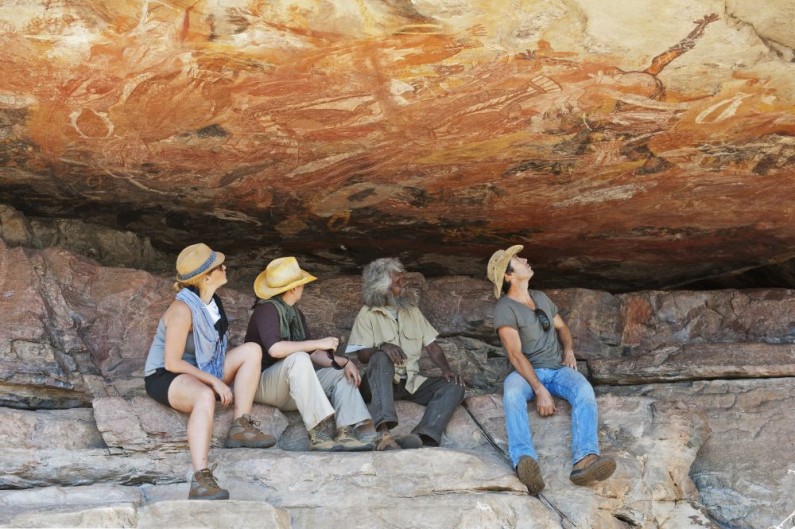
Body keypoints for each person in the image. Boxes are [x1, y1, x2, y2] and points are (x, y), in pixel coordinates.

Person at [143, 243, 275, 501]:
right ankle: (201, 479)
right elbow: (171, 362)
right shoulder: (181, 310)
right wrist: (216, 382)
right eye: (219, 266)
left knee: (251, 350)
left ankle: (241, 425)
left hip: (203, 369)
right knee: (204, 396)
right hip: (165, 375)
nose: (225, 268)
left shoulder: (213, 303)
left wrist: (214, 378)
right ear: (205, 276)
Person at [487, 245, 616, 495]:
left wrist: (568, 350)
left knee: (583, 390)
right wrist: (539, 389)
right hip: (526, 373)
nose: (525, 259)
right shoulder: (505, 308)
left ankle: (585, 460)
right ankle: (524, 461)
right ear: (509, 276)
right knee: (512, 392)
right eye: (517, 260)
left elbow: (562, 327)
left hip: (557, 369)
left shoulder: (541, 297)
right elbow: (515, 354)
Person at [246, 256, 373, 452]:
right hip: (264, 384)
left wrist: (345, 362)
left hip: (291, 386)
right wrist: (319, 342)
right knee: (298, 357)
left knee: (339, 372)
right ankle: (318, 433)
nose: (303, 288)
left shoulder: (295, 314)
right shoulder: (267, 310)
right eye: (302, 284)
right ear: (294, 288)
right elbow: (276, 349)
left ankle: (346, 432)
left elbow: (313, 353)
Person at [346, 258, 466, 450]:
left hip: (410, 382)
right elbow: (362, 356)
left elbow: (432, 346)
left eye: (402, 279)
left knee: (455, 385)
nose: (404, 284)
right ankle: (384, 435)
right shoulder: (367, 314)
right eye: (398, 282)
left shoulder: (411, 310)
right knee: (380, 357)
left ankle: (422, 436)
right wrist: (382, 347)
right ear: (382, 288)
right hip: (379, 383)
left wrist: (446, 369)